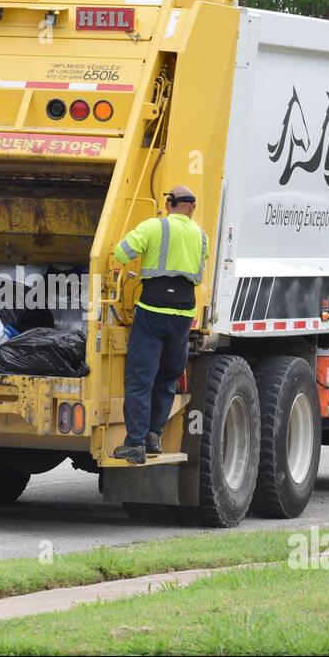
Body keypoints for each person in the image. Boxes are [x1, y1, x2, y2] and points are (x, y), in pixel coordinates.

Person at [111, 185, 209, 464]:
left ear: (169, 204)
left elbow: (121, 253)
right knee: (167, 377)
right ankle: (154, 435)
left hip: (152, 310)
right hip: (183, 314)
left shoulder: (154, 226)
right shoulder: (201, 236)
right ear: (191, 207)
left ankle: (135, 444)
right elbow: (199, 276)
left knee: (141, 378)